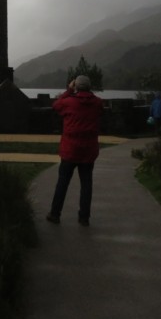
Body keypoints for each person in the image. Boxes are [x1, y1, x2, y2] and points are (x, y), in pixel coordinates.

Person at [46, 75, 103, 226]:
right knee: (86, 184)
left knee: (63, 182)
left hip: (70, 150)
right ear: (89, 87)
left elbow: (56, 105)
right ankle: (84, 217)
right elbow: (97, 105)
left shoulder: (68, 102)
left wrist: (69, 90)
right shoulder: (97, 103)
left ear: (76, 86)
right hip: (88, 151)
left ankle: (55, 214)